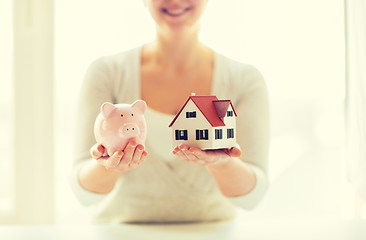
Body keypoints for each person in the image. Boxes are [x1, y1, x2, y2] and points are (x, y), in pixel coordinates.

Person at [70, 0, 269, 223]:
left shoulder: (244, 80)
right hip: (123, 233)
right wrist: (108, 166)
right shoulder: (107, 73)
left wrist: (223, 164)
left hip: (209, 235)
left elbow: (252, 198)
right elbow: (83, 193)